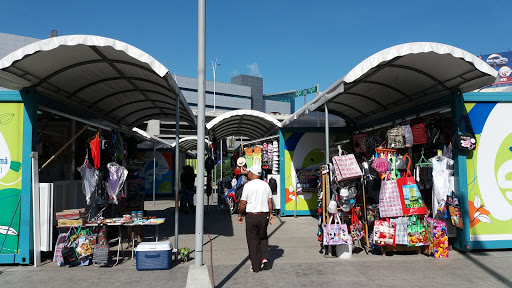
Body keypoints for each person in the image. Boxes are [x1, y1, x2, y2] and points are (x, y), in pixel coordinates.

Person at [238, 165, 275, 273]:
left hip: (251, 216)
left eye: (249, 172)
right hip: (264, 216)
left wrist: (240, 214)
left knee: (252, 241)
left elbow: (243, 203)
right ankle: (264, 257)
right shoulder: (265, 185)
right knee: (263, 236)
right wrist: (271, 214)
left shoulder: (248, 186)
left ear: (253, 174)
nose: (248, 174)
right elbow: (270, 202)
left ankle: (256, 267)